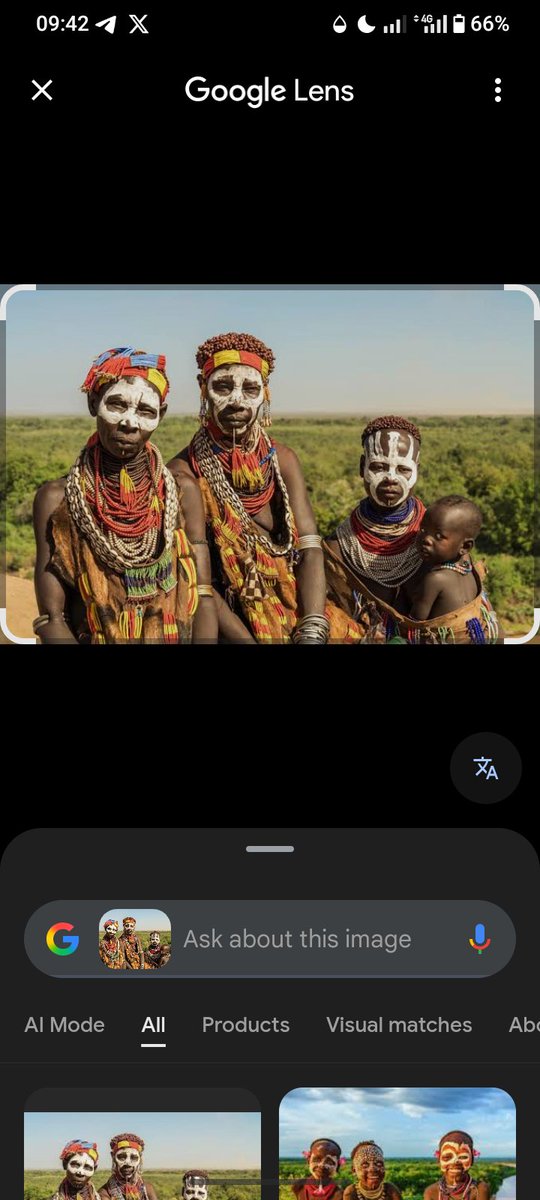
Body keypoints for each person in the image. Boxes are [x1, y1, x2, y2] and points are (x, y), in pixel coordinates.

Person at [169, 332, 360, 643]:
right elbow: (197, 581)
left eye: (251, 388)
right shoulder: (183, 474)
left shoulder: (282, 460)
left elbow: (309, 547)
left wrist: (312, 626)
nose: (237, 401)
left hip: (298, 604)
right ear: (203, 390)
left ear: (265, 394)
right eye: (223, 387)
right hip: (228, 621)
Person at [33, 346, 217, 643]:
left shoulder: (182, 490)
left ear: (161, 415)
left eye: (145, 411)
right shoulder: (57, 500)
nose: (130, 423)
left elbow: (203, 596)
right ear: (94, 403)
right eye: (117, 405)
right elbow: (51, 618)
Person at [324, 417, 499, 643]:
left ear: (417, 470)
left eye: (403, 469)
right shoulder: (337, 548)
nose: (390, 478)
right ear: (361, 467)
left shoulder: (440, 540)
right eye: (378, 466)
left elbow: (473, 613)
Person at [407, 497, 498, 641]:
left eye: (438, 536)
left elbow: (414, 623)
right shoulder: (469, 566)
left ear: (465, 546)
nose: (426, 539)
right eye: (423, 529)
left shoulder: (435, 579)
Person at [424, 1130, 490, 1200]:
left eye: (463, 1157)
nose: (455, 1162)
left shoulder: (480, 1189)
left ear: (472, 1160)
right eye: (447, 1157)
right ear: (439, 1160)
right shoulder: (431, 1192)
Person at [99, 1133, 158, 1200]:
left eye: (133, 1157)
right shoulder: (104, 1193)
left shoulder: (147, 1189)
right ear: (113, 1157)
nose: (128, 1163)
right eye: (121, 1157)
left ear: (140, 1158)